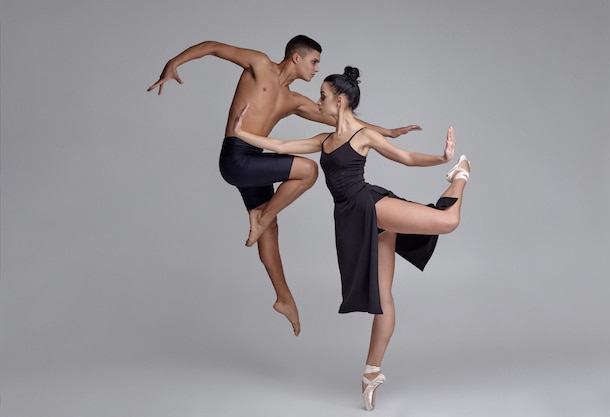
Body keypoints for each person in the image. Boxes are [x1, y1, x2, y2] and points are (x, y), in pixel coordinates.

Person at [147, 36, 421, 337]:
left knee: (270, 229)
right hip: (236, 157)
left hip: (255, 161)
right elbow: (213, 47)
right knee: (307, 170)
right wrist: (174, 63)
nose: (317, 69)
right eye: (314, 61)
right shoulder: (259, 64)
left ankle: (284, 297)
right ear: (296, 57)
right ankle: (261, 218)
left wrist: (388, 132)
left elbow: (344, 120)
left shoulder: (294, 101)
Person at [232, 66, 470, 411]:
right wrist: (242, 134)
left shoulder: (363, 134)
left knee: (448, 221)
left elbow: (403, 157)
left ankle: (459, 173)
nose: (319, 101)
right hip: (351, 219)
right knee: (383, 297)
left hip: (369, 204)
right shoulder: (325, 141)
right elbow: (282, 144)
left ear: (340, 100)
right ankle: (372, 372)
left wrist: (442, 158)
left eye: (323, 96)